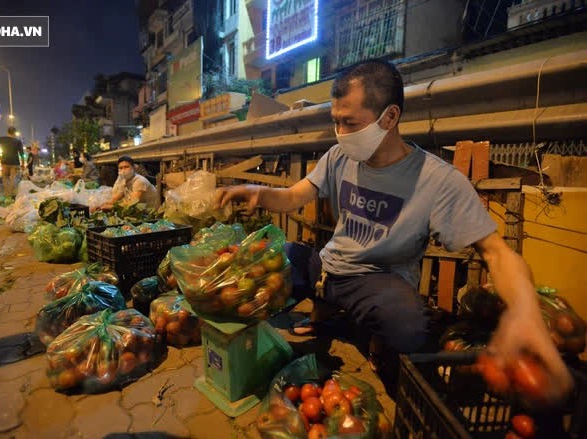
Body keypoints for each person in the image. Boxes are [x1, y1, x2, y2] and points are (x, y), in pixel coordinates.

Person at [215, 59, 573, 404]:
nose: (341, 133)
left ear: (390, 117)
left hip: (374, 280)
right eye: (336, 122)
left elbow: (496, 252)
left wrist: (524, 309)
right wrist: (259, 193)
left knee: (410, 328)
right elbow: (296, 196)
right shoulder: (339, 156)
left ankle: (370, 335)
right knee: (264, 265)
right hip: (326, 265)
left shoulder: (438, 181)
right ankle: (322, 312)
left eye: (350, 123)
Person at [0, 126, 23, 197]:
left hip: (5, 162)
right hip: (15, 163)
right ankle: (13, 194)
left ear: (7, 132)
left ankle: (7, 194)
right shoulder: (17, 141)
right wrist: (23, 163)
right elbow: (21, 153)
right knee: (14, 179)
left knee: (5, 178)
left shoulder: (1, 139)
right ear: (15, 133)